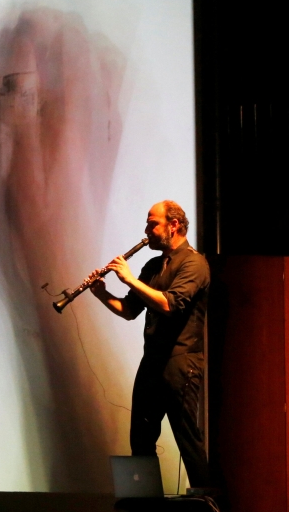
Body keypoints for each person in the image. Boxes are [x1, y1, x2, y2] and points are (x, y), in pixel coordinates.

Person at [87, 201, 211, 488]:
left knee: (187, 442)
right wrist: (101, 293)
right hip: (152, 363)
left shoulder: (194, 263)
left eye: (152, 223)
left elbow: (170, 304)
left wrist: (129, 279)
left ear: (174, 225)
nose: (147, 231)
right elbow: (129, 310)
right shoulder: (153, 265)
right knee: (140, 441)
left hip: (181, 363)